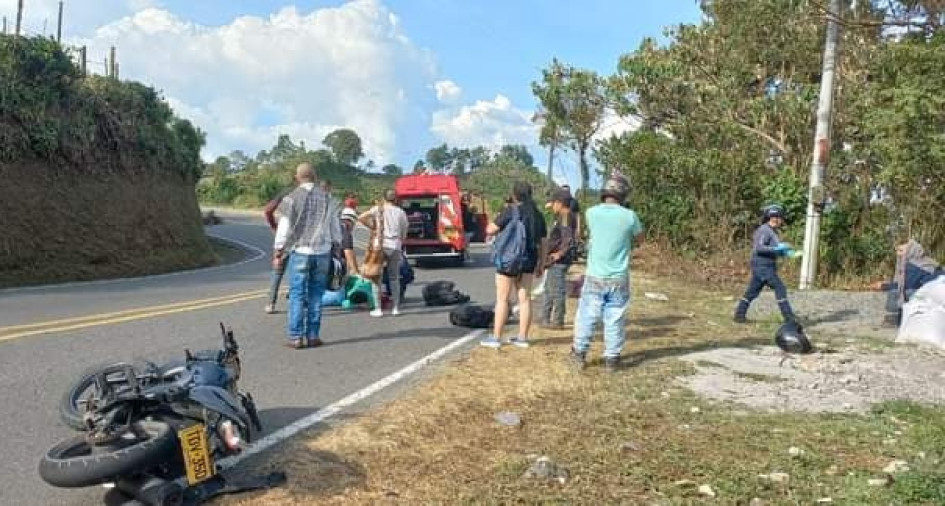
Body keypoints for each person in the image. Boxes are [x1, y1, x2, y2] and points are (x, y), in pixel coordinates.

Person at [569, 174, 643, 371]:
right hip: (618, 277)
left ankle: (579, 353)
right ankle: (612, 358)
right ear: (624, 194)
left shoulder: (591, 213)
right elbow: (640, 239)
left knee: (587, 315)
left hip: (595, 275)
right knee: (615, 317)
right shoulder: (630, 217)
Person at [273, 163, 343, 349]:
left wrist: (279, 251)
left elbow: (284, 228)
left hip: (300, 251)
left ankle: (296, 337)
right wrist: (336, 245)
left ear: (297, 177)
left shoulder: (291, 198)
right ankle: (313, 335)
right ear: (315, 176)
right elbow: (335, 227)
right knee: (316, 294)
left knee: (297, 294)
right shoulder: (328, 198)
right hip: (322, 252)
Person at [480, 181, 547, 349]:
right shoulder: (537, 215)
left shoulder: (511, 210)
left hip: (508, 260)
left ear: (515, 195)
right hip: (529, 260)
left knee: (502, 299)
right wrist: (542, 263)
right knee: (524, 299)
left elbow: (490, 230)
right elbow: (543, 242)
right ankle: (522, 338)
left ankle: (496, 337)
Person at [733, 204, 797, 324]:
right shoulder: (764, 230)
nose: (782, 221)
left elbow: (772, 249)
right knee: (780, 288)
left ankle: (739, 315)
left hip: (766, 266)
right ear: (773, 217)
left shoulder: (772, 232)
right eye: (780, 218)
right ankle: (789, 318)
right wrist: (778, 249)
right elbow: (759, 248)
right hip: (763, 266)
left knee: (752, 292)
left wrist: (786, 253)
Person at [358, 189, 409, 317]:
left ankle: (378, 308)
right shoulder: (400, 212)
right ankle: (396, 308)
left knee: (376, 277)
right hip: (395, 246)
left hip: (379, 246)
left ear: (384, 198)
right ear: (395, 199)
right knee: (394, 277)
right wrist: (400, 239)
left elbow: (361, 217)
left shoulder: (378, 209)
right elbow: (404, 230)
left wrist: (372, 226)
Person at [871, 239, 943, 326]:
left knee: (900, 293)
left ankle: (904, 321)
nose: (898, 254)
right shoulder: (921, 260)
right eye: (897, 250)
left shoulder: (914, 266)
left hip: (938, 293)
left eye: (901, 250)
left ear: (911, 250)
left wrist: (883, 286)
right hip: (936, 290)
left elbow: (906, 286)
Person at [540, 189, 577, 330]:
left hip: (559, 260)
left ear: (560, 203)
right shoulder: (562, 216)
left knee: (557, 291)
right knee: (549, 289)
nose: (552, 206)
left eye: (554, 203)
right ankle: (545, 318)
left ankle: (558, 321)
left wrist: (559, 254)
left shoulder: (566, 216)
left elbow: (568, 238)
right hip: (554, 259)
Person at [263, 187, 294, 314]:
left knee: (278, 271)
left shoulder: (285, 193)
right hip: (302, 239)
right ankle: (295, 299)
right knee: (299, 271)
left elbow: (268, 211)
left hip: (284, 237)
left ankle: (271, 303)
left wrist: (274, 226)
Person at [341, 194, 360, 275]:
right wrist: (356, 272)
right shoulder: (345, 230)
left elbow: (351, 252)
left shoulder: (344, 211)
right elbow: (348, 251)